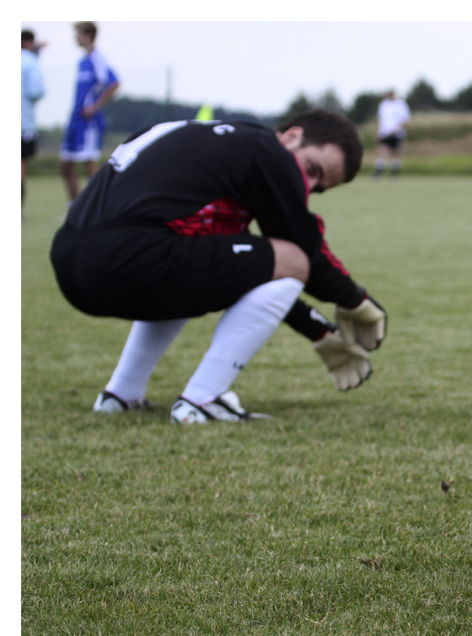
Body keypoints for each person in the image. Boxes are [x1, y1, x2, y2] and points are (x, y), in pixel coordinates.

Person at [50, 109, 387, 424]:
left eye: (319, 188)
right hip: (128, 257)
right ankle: (202, 400)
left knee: (190, 258)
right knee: (292, 257)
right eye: (312, 170)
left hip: (71, 262)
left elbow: (241, 272)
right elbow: (302, 252)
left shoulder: (202, 140)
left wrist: (314, 328)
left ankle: (120, 395)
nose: (308, 187)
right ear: (291, 136)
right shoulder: (263, 148)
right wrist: (355, 300)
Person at [59, 21, 120, 203]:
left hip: (89, 122)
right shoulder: (82, 61)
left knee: (89, 164)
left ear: (87, 35)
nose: (75, 37)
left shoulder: (97, 58)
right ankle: (75, 208)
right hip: (75, 120)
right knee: (64, 165)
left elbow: (114, 83)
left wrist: (94, 107)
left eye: (77, 33)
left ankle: (96, 209)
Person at [21, 29, 46, 205]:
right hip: (23, 123)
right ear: (29, 42)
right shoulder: (30, 62)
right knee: (20, 167)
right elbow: (36, 91)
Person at [373, 89, 411, 178]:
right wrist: (378, 131)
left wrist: (396, 129)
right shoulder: (383, 104)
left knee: (396, 153)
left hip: (397, 133)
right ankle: (379, 172)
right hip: (384, 133)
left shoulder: (401, 104)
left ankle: (394, 173)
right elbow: (380, 119)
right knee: (382, 152)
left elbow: (406, 120)